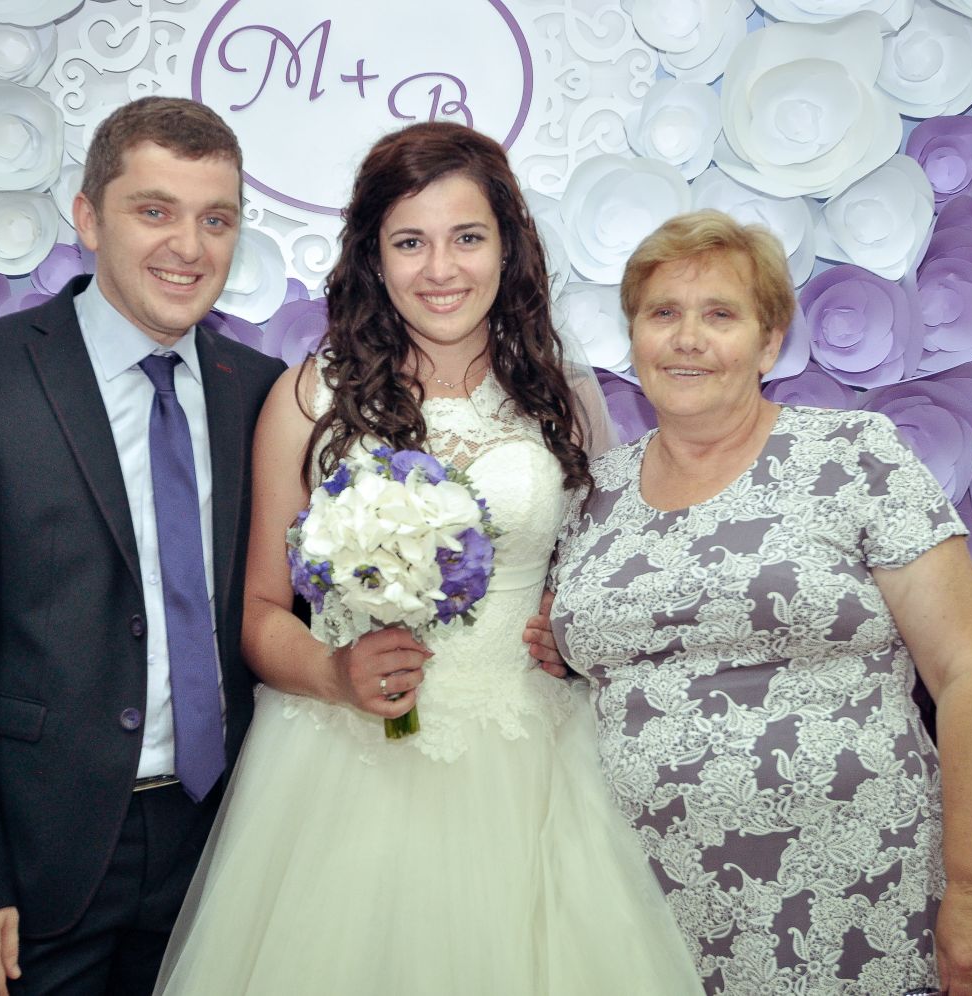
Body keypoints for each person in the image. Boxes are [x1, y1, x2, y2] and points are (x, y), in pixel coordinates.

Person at [153, 122, 700, 995]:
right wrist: (334, 672)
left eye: (467, 237)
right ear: (374, 258)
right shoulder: (311, 398)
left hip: (528, 761)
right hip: (342, 763)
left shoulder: (565, 397)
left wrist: (572, 635)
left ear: (508, 246)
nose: (441, 269)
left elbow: (598, 584)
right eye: (410, 242)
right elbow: (258, 614)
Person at [547, 209, 972, 994]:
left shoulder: (855, 455)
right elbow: (575, 660)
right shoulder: (592, 494)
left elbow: (967, 674)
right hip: (640, 915)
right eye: (663, 314)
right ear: (633, 337)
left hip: (858, 893)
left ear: (769, 343)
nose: (687, 338)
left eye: (720, 315)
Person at [0, 97, 284, 996]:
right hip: (41, 856)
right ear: (89, 218)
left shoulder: (261, 392)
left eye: (216, 220)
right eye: (155, 211)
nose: (189, 247)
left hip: (223, 846)